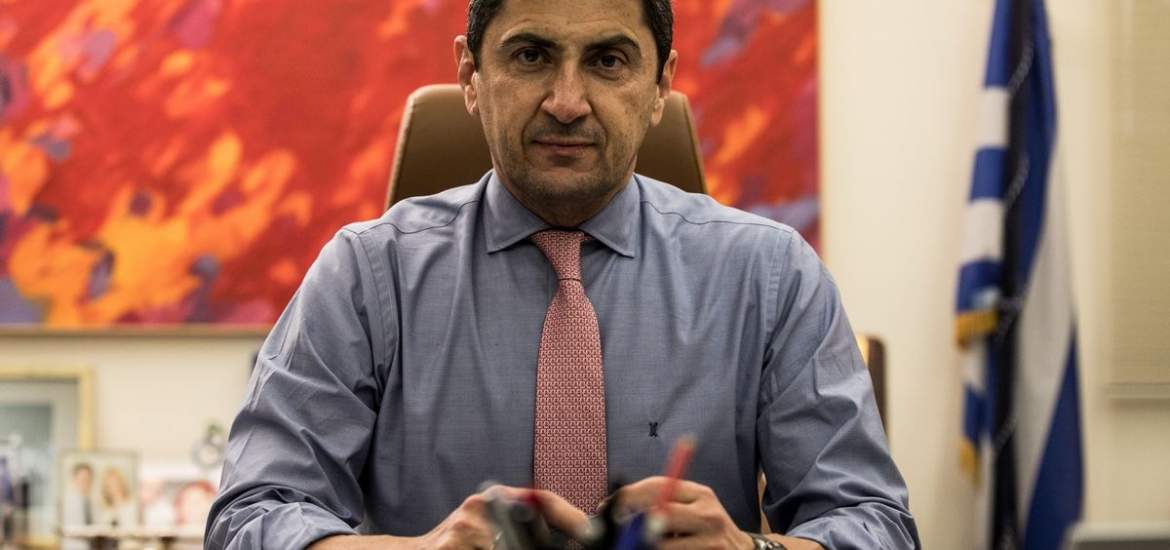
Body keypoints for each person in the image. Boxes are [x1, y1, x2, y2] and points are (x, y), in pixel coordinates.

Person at [206, 0, 920, 548]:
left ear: (660, 87)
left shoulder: (771, 274)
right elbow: (250, 518)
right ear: (470, 76)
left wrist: (750, 548)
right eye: (531, 55)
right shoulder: (366, 275)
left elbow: (875, 524)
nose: (567, 102)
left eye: (608, 60)